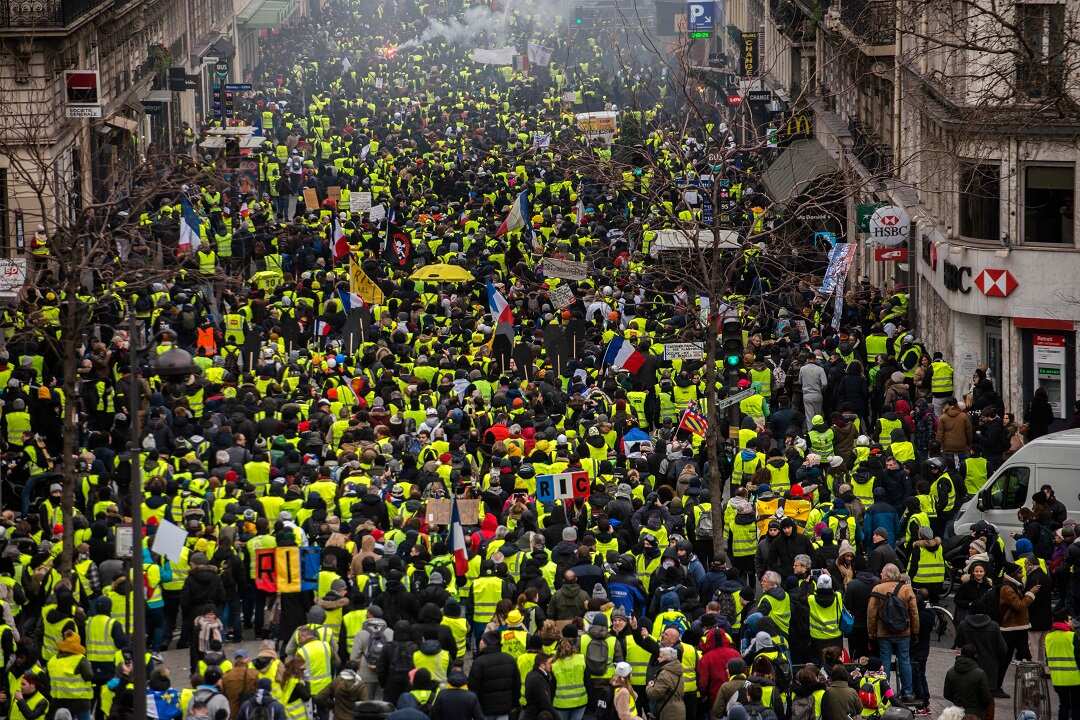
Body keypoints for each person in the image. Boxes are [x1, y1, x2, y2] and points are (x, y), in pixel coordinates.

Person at [866, 564, 918, 702]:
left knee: (885, 662)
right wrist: (915, 631)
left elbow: (871, 614)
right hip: (903, 632)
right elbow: (914, 612)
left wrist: (871, 633)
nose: (881, 575)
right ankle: (907, 691)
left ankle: (885, 691)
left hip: (884, 633)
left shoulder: (877, 589)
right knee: (905, 660)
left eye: (882, 573)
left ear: (887, 575)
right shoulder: (906, 589)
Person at [942, 645, 993, 719]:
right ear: (975, 656)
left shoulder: (951, 671)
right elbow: (986, 698)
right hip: (974, 714)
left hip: (956, 712)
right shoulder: (980, 673)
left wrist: (958, 702)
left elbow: (946, 694)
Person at [646, 646, 685, 720]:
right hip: (679, 709)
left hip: (668, 712)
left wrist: (649, 686)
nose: (658, 659)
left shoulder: (664, 674)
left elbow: (654, 694)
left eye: (660, 657)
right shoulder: (678, 670)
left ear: (667, 659)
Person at [522, 654, 557, 720]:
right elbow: (545, 703)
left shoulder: (532, 674)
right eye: (549, 663)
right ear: (542, 665)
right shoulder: (538, 679)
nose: (551, 665)